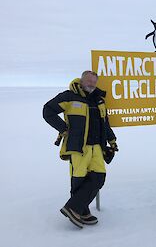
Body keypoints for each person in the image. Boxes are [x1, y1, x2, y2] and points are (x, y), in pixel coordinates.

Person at [43, 70, 118, 228]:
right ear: (81, 81)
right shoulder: (69, 96)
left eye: (94, 81)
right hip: (78, 147)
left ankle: (73, 208)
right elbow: (47, 110)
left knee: (99, 177)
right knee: (79, 179)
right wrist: (64, 128)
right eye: (88, 80)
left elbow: (105, 124)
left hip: (97, 146)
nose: (91, 84)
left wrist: (112, 140)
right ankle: (81, 211)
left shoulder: (99, 100)